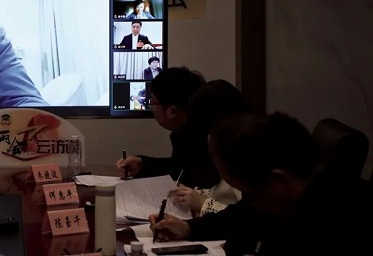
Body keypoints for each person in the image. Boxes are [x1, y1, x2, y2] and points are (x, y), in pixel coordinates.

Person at [150, 112, 373, 255]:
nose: (251, 201)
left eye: (249, 192)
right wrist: (189, 228)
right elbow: (245, 213)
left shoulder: (334, 223)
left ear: (278, 181)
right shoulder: (291, 194)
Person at [116, 67, 217, 188]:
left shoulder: (207, 140)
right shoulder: (194, 129)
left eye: (153, 102)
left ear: (172, 111)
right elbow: (178, 167)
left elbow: (186, 176)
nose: (152, 108)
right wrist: (141, 164)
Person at [168, 80, 251, 217]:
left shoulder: (245, 156)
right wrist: (192, 195)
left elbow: (249, 219)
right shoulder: (212, 146)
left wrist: (202, 203)